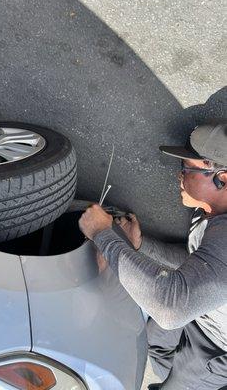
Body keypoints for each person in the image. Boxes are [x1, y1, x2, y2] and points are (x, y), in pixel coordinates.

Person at [78, 119, 227, 390]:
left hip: (216, 348)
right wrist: (139, 245)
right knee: (155, 344)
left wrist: (102, 233)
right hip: (200, 313)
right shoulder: (212, 212)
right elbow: (198, 263)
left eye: (186, 168)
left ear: (223, 178)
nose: (178, 175)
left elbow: (171, 308)